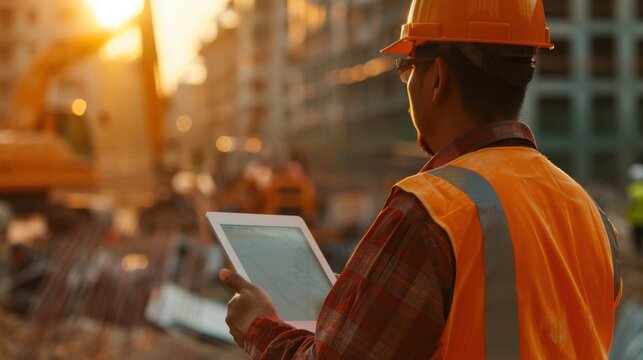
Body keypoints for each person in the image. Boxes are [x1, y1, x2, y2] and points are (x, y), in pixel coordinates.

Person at [218, 0, 623, 358]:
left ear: (437, 79)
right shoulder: (590, 215)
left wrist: (258, 326)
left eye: (406, 67)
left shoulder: (430, 210)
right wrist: (366, 297)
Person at [627, 163, 643, 255]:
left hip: (635, 219)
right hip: (637, 218)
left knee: (637, 238)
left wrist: (628, 215)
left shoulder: (632, 189)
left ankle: (638, 254)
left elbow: (630, 204)